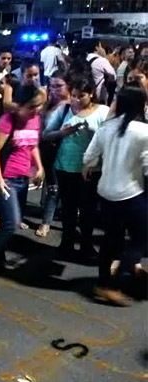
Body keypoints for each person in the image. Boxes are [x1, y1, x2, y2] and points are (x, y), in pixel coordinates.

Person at [82, 85, 148, 305]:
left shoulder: (107, 127)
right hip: (131, 193)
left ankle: (103, 283)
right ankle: (118, 280)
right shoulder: (144, 132)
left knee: (111, 239)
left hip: (106, 191)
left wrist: (90, 166)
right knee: (141, 239)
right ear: (142, 105)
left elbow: (89, 158)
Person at [0, 85, 45, 278]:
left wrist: (39, 166)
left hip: (22, 178)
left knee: (8, 219)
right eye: (32, 107)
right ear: (19, 105)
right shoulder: (8, 121)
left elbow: (32, 145)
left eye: (39, 106)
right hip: (5, 179)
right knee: (11, 221)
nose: (36, 111)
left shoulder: (35, 120)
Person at [43, 77, 110, 259]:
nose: (77, 100)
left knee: (88, 210)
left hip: (91, 169)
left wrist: (92, 133)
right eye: (73, 96)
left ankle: (86, 245)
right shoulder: (64, 109)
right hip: (65, 166)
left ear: (91, 95)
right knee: (69, 209)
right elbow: (46, 135)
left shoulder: (102, 111)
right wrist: (62, 133)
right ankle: (67, 243)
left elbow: (109, 138)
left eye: (82, 96)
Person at [36, 71, 70, 238]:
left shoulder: (71, 106)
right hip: (47, 150)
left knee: (56, 189)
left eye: (59, 86)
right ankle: (47, 220)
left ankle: (48, 222)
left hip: (65, 152)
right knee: (52, 187)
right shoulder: (48, 105)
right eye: (52, 86)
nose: (54, 90)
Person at [86, 39, 116, 105]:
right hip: (98, 96)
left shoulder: (85, 58)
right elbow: (113, 75)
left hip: (85, 93)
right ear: (97, 48)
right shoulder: (101, 60)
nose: (103, 49)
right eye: (101, 46)